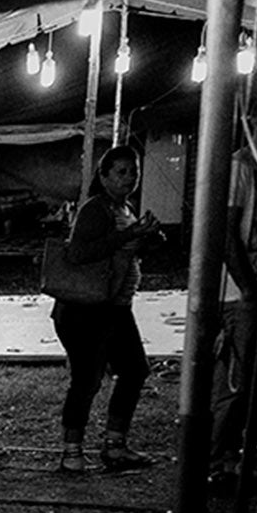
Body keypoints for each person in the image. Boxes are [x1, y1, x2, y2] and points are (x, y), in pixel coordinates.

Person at [50, 143, 163, 474]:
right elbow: (79, 254)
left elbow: (123, 252)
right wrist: (129, 234)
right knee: (87, 378)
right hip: (86, 308)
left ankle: (115, 444)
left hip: (115, 306)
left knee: (135, 369)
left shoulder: (124, 208)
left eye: (134, 172)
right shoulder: (95, 209)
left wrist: (146, 238)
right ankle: (72, 451)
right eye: (121, 172)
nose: (129, 178)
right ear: (104, 175)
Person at [209, 119, 257, 490]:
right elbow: (225, 232)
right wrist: (248, 288)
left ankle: (244, 456)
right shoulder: (240, 168)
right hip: (241, 292)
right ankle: (219, 460)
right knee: (237, 379)